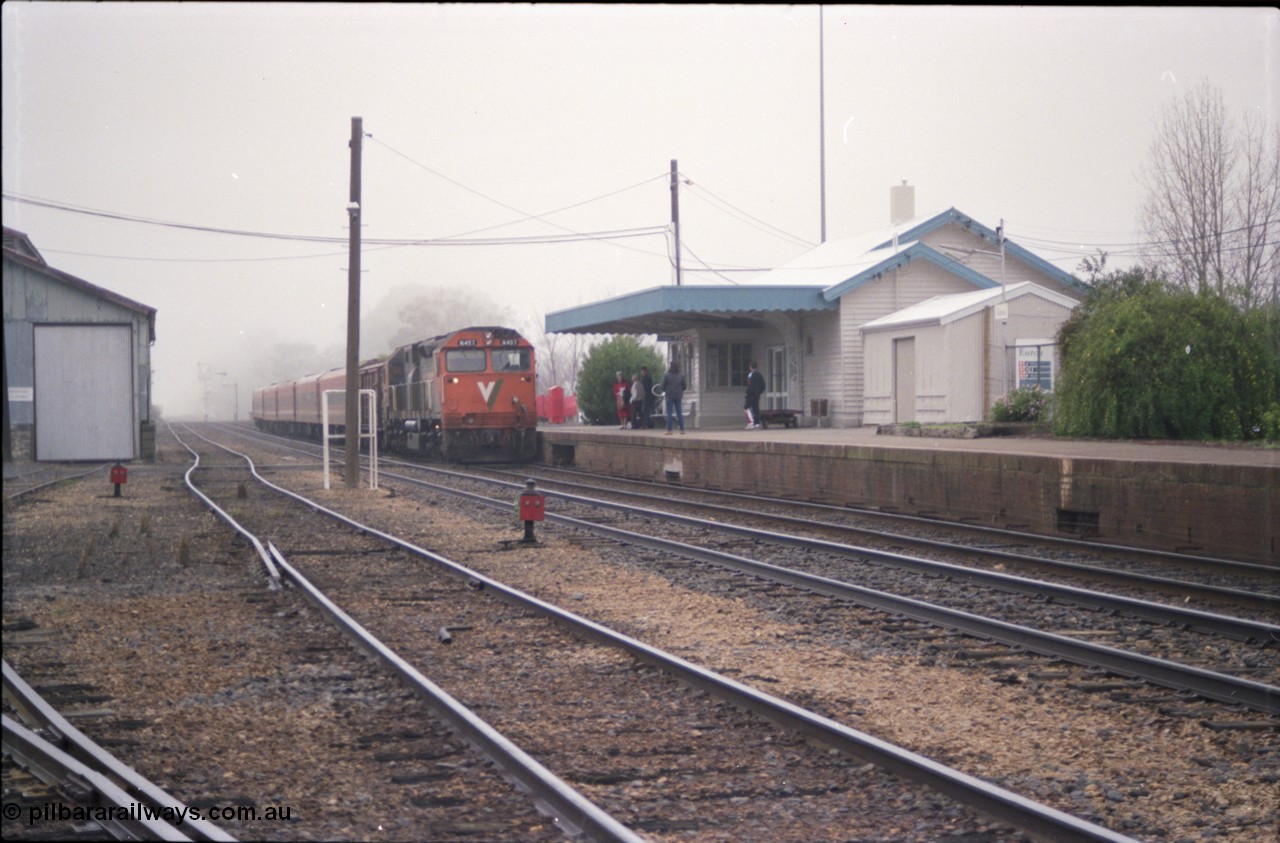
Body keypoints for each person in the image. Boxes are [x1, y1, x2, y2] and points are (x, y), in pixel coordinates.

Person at [660, 361, 686, 435]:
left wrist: (666, 390)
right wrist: (680, 390)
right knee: (679, 412)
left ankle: (670, 430)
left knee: (669, 413)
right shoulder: (681, 375)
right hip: (678, 396)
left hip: (669, 395)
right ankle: (682, 429)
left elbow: (662, 386)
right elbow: (684, 386)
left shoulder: (666, 375)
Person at [744, 360, 765, 429]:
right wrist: (760, 391)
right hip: (757, 394)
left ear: (750, 367)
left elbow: (749, 385)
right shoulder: (759, 375)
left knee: (746, 407)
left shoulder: (751, 375)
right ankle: (757, 422)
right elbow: (763, 385)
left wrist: (748, 391)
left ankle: (751, 422)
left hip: (751, 394)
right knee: (755, 407)